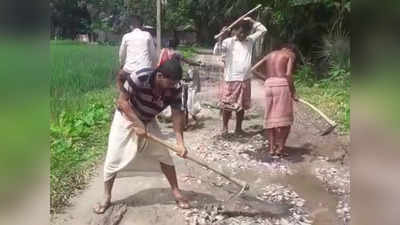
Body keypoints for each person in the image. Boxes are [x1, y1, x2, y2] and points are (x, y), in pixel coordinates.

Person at [93, 57, 191, 214]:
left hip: (148, 119)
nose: (172, 87)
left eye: (175, 83)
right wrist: (137, 123)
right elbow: (122, 102)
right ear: (159, 76)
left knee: (164, 155)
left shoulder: (175, 87)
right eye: (170, 83)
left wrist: (180, 143)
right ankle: (106, 196)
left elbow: (176, 114)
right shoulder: (139, 77)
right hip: (126, 117)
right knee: (113, 158)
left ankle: (176, 191)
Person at [214, 17, 267, 135]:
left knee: (241, 106)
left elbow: (263, 30)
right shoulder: (228, 42)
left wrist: (252, 21)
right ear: (235, 31)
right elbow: (217, 52)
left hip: (245, 79)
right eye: (240, 32)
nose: (243, 35)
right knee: (227, 105)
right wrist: (221, 38)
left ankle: (238, 128)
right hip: (231, 79)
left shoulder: (250, 40)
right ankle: (225, 128)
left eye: (245, 32)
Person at [252, 44, 299, 157]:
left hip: (269, 84)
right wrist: (293, 92)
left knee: (271, 116)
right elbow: (288, 74)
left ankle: (272, 148)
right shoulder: (290, 55)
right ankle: (281, 148)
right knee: (286, 119)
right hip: (282, 84)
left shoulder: (270, 54)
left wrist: (267, 79)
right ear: (290, 50)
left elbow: (253, 69)